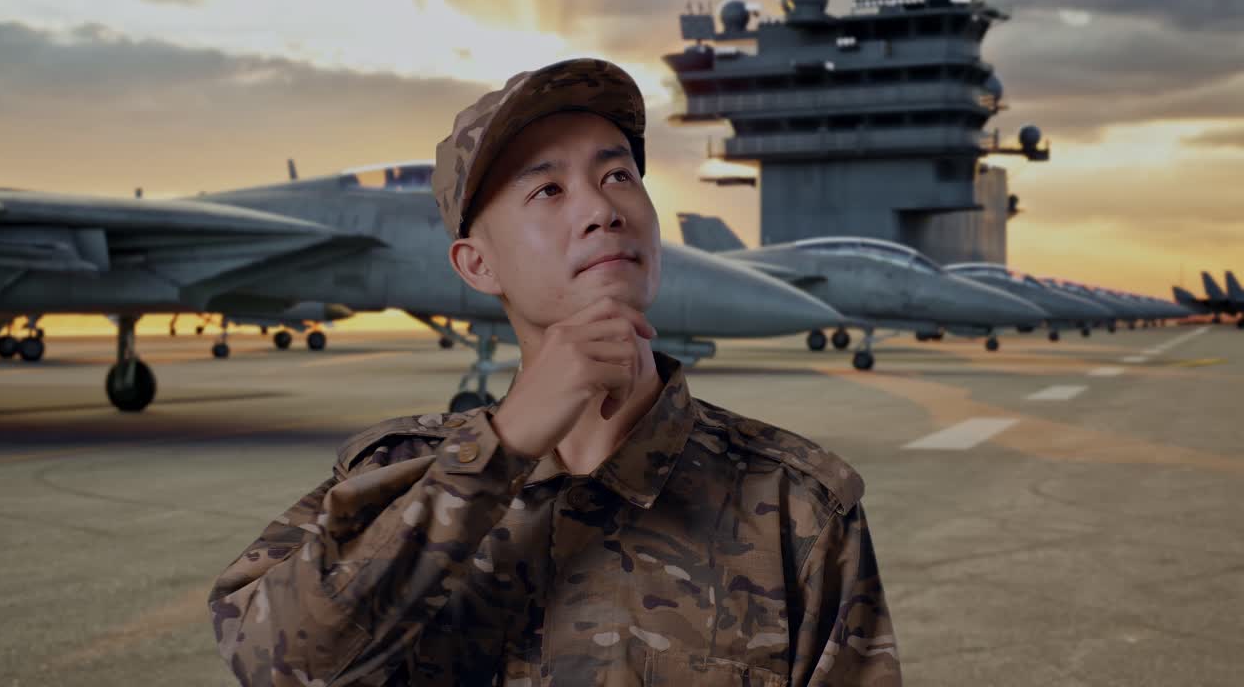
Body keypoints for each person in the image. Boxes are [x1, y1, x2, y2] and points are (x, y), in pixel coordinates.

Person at [208, 58, 901, 686]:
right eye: (546, 189)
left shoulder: (796, 506)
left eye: (618, 176)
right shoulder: (386, 480)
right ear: (477, 264)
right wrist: (498, 450)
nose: (602, 209)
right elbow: (274, 662)